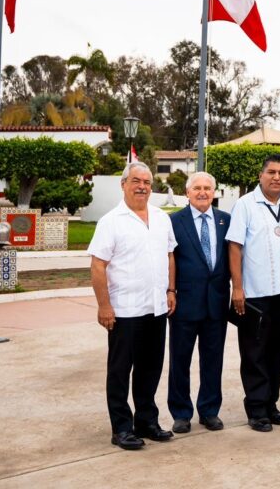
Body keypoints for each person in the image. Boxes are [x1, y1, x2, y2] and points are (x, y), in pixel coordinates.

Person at [89, 162, 177, 450]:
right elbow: (98, 266)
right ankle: (122, 428)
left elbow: (170, 256)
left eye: (147, 182)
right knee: (119, 371)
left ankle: (147, 421)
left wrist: (170, 290)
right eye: (136, 181)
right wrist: (104, 307)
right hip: (125, 311)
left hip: (156, 308)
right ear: (123, 184)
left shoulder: (162, 218)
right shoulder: (111, 221)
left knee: (150, 369)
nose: (142, 186)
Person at [227, 153, 280, 432]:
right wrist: (238, 287)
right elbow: (235, 246)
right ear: (261, 175)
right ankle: (256, 409)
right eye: (272, 172)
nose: (277, 177)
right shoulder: (245, 205)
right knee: (254, 353)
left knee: (278, 351)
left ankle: (271, 404)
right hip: (255, 294)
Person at [167, 172, 230, 434]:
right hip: (185, 303)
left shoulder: (225, 220)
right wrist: (169, 290)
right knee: (180, 360)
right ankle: (181, 413)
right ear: (187, 192)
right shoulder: (173, 222)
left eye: (207, 188)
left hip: (216, 302)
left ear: (214, 192)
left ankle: (209, 410)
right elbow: (168, 258)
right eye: (197, 188)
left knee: (213, 360)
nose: (202, 192)